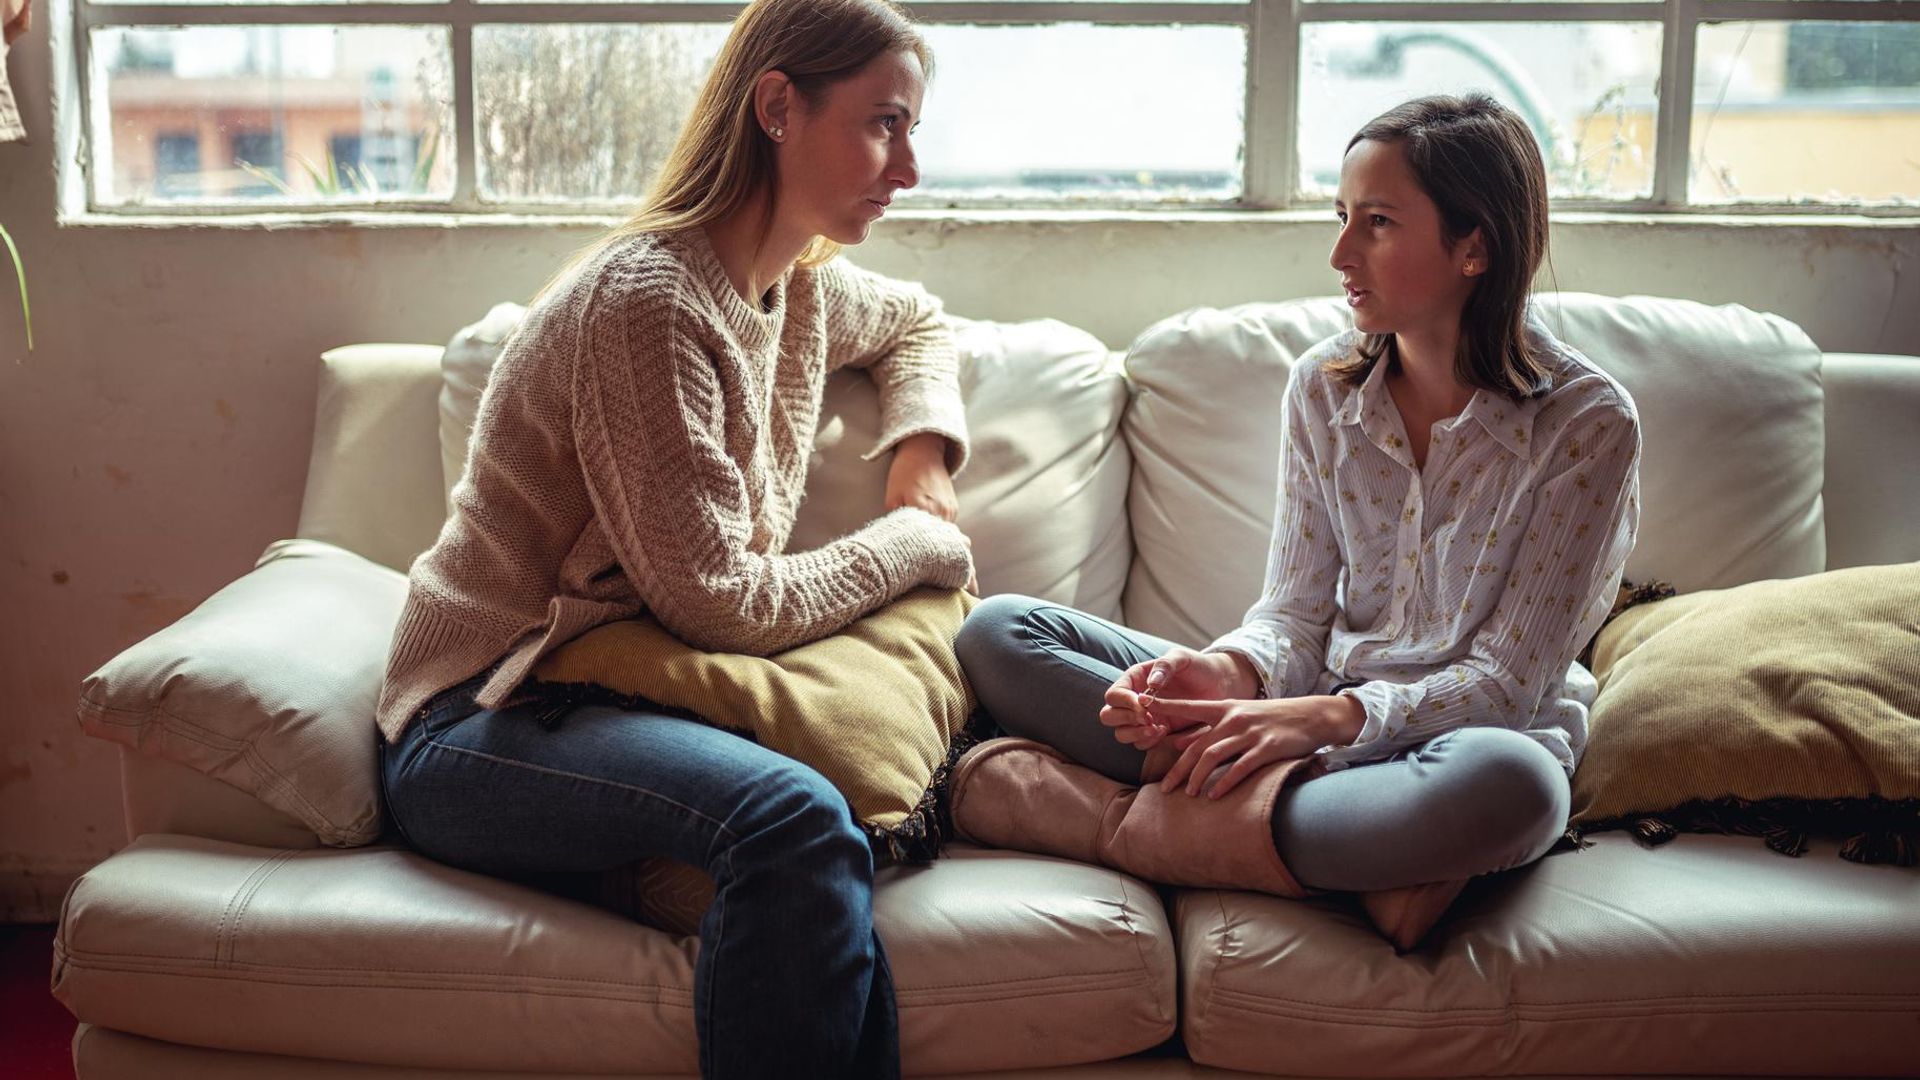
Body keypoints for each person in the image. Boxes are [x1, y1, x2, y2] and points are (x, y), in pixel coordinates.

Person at [375, 1, 973, 1075]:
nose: (910, 166)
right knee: (795, 818)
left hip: (621, 692)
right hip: (482, 712)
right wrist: (915, 544)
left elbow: (921, 322)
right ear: (778, 106)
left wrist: (920, 455)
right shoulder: (648, 303)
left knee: (818, 842)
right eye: (886, 124)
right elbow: (720, 602)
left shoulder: (800, 289)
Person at [949, 93, 1642, 952]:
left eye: (1378, 223)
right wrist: (1228, 673)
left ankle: (1113, 820)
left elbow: (1506, 684)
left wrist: (1320, 723)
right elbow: (1295, 613)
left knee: (1516, 790)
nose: (1340, 253)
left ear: (1477, 246)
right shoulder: (1324, 388)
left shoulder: (1587, 424)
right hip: (1301, 723)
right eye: (1342, 216)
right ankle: (1337, 853)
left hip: (1458, 743)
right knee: (999, 631)